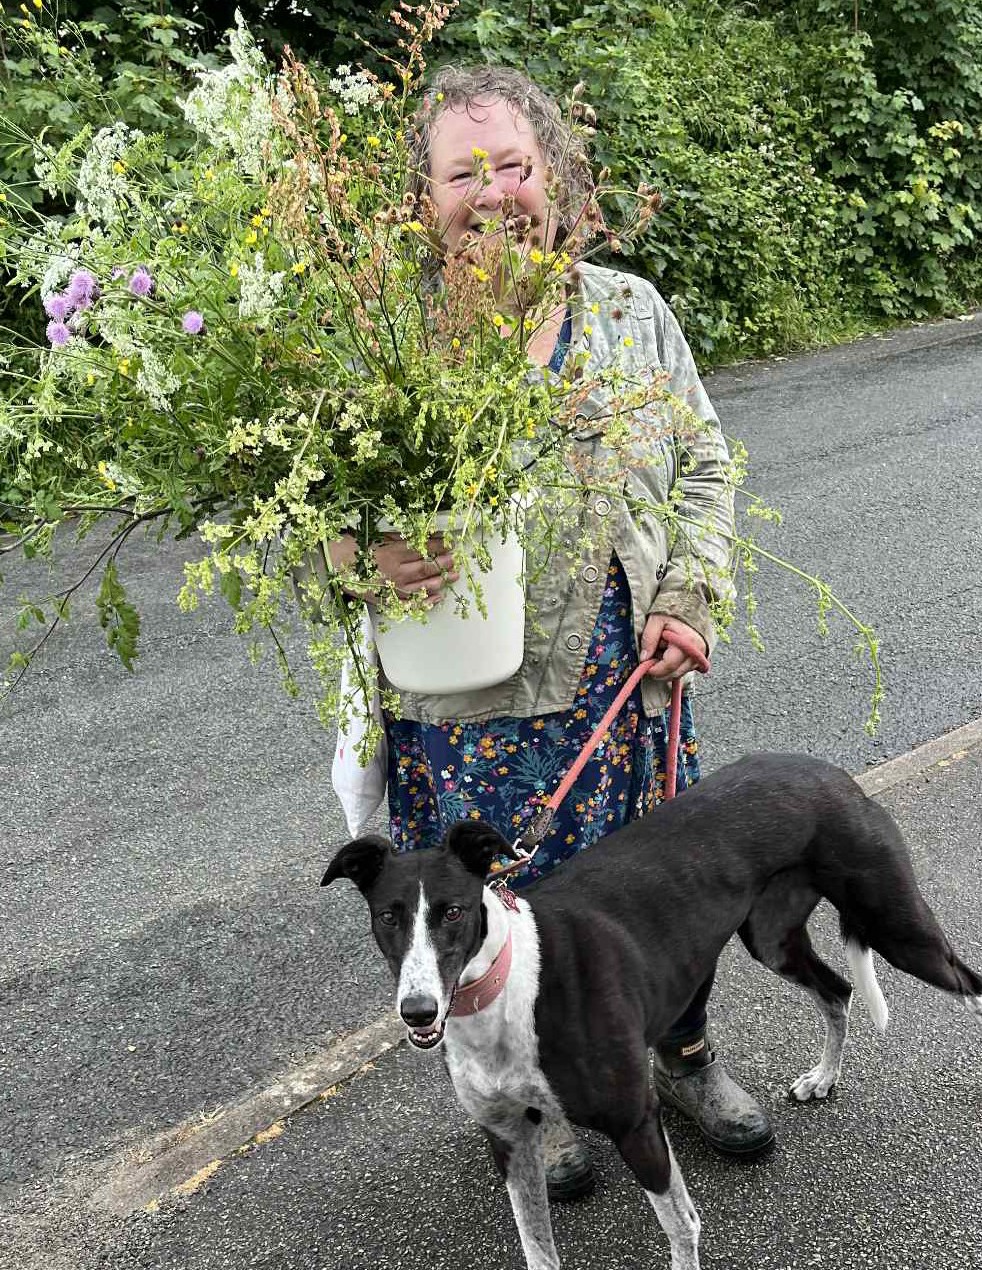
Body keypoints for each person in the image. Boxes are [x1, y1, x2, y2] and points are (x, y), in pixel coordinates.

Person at [328, 65, 773, 1198]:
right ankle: (535, 1094)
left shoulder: (628, 313)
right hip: (459, 722)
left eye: (513, 166)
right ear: (422, 197)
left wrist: (687, 595)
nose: (492, 194)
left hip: (627, 695)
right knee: (489, 919)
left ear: (556, 176)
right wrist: (354, 554)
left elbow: (705, 465)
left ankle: (681, 1055)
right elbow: (300, 514)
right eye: (461, 174)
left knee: (665, 892)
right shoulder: (382, 340)